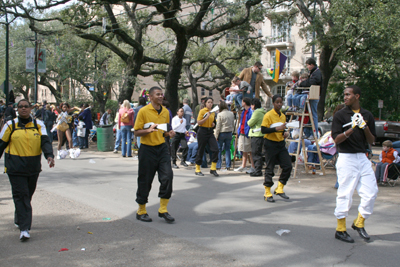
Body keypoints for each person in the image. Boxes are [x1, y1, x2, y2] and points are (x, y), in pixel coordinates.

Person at [0, 99, 55, 241]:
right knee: (21, 195)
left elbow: (45, 142)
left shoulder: (38, 125)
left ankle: (19, 218)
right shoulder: (10, 125)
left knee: (27, 195)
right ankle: (24, 229)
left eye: (26, 107)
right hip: (15, 168)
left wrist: (49, 155)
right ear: (17, 109)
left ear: (30, 108)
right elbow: (1, 144)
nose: (23, 109)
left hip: (33, 168)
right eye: (21, 107)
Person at [331, 85, 378, 243]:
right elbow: (336, 140)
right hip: (346, 157)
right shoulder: (340, 115)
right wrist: (351, 128)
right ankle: (340, 229)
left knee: (371, 191)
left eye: (348, 95)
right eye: (344, 94)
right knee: (345, 193)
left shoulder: (367, 115)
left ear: (357, 96)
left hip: (362, 157)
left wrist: (364, 127)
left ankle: (359, 222)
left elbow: (372, 141)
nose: (345, 97)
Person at [134, 86, 176, 223]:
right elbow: (136, 132)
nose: (160, 96)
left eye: (161, 94)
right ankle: (141, 210)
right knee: (145, 180)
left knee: (168, 176)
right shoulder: (143, 111)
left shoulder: (165, 111)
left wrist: (169, 134)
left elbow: (164, 131)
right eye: (157, 94)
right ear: (150, 97)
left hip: (162, 148)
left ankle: (163, 209)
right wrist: (148, 131)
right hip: (147, 149)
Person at [261, 95, 292, 203]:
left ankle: (279, 188)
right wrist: (276, 128)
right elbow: (263, 130)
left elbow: (282, 130)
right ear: (273, 103)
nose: (279, 104)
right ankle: (267, 192)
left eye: (281, 102)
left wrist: (285, 133)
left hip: (280, 144)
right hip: (270, 144)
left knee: (288, 165)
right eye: (277, 102)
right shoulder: (268, 115)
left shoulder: (283, 116)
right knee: (270, 168)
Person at [298, 58, 323, 139]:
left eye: (308, 65)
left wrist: (301, 83)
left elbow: (311, 82)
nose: (307, 67)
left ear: (312, 65)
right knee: (308, 115)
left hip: (314, 96)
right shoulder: (313, 73)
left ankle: (314, 133)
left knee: (313, 115)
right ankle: (308, 133)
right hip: (311, 95)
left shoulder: (316, 73)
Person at [195, 97, 219, 177]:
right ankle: (197, 168)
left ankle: (213, 168)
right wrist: (206, 117)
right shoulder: (202, 111)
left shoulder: (213, 112)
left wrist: (213, 124)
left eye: (211, 102)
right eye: (208, 102)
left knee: (215, 149)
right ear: (205, 103)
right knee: (201, 150)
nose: (210, 104)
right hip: (202, 131)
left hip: (210, 132)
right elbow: (199, 122)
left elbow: (213, 122)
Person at [234, 98, 255, 174]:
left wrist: (247, 130)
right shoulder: (244, 111)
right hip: (242, 132)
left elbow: (250, 122)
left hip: (247, 133)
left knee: (249, 150)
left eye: (242, 101)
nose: (241, 103)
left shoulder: (250, 111)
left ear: (245, 103)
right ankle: (243, 165)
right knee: (243, 150)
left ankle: (253, 166)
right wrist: (239, 130)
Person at [247, 98, 266, 176]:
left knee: (255, 153)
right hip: (261, 134)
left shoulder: (256, 112)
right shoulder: (262, 112)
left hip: (256, 134)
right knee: (258, 153)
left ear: (253, 105)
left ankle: (258, 170)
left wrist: (248, 121)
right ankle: (258, 169)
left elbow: (250, 123)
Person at [214, 101, 235, 171]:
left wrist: (216, 136)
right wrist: (233, 131)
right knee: (227, 149)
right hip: (229, 132)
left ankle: (218, 165)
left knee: (219, 149)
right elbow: (233, 123)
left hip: (222, 133)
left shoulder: (220, 114)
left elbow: (218, 126)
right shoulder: (231, 113)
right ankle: (228, 165)